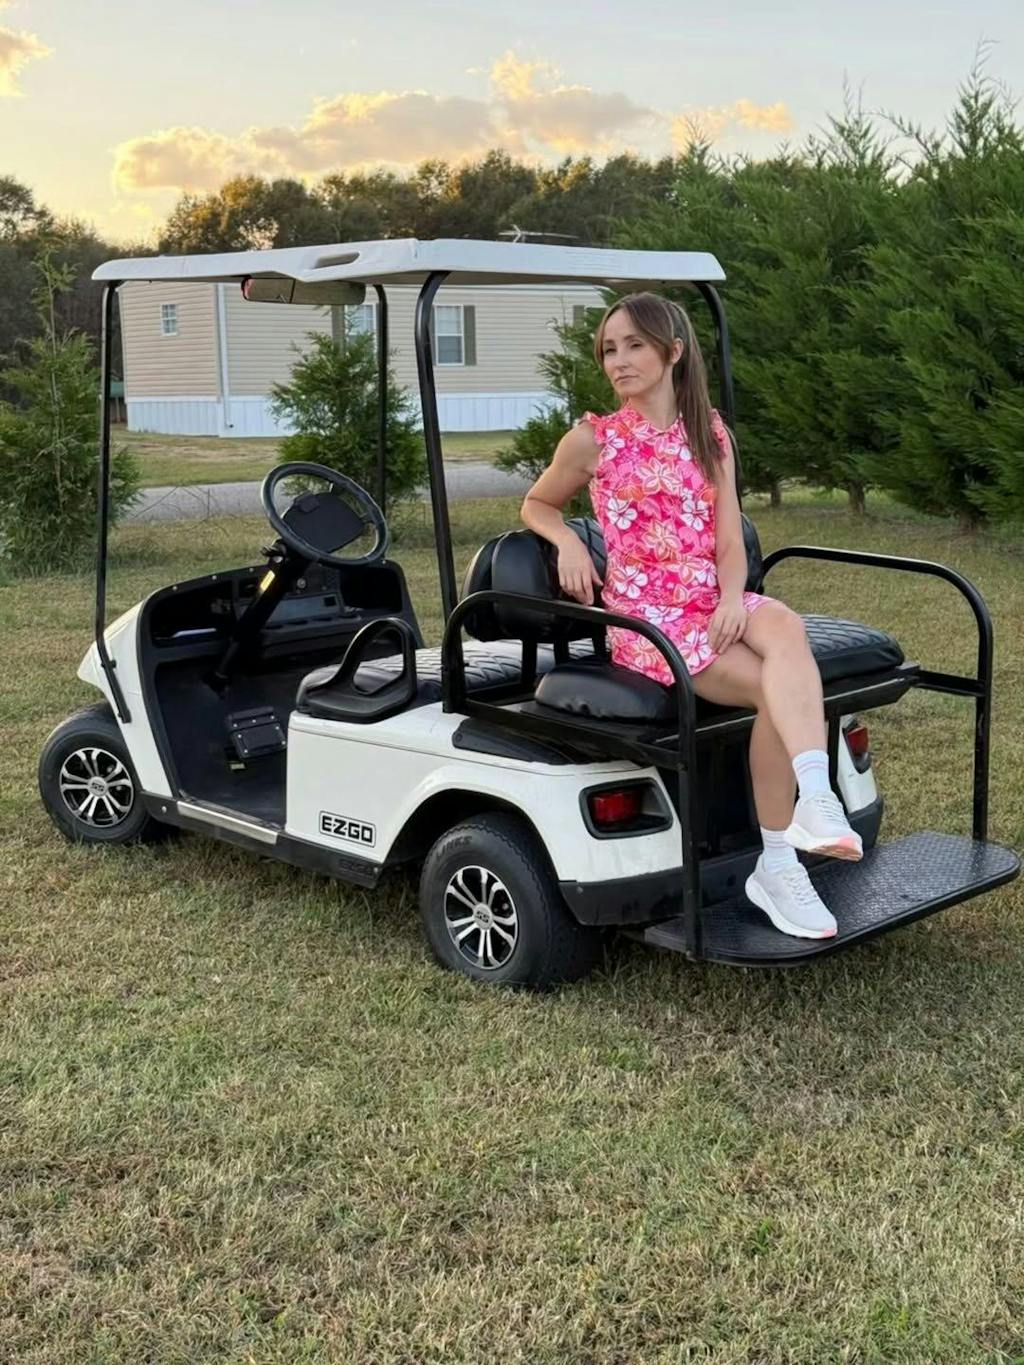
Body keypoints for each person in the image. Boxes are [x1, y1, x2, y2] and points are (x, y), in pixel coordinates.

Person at [520, 292, 862, 941]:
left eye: (633, 345)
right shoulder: (594, 438)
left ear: (672, 351)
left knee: (784, 626)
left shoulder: (709, 432)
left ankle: (814, 803)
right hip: (649, 622)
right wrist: (565, 538)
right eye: (609, 348)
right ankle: (780, 857)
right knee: (773, 689)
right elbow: (537, 502)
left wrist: (734, 599)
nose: (618, 360)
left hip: (713, 600)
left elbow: (729, 542)